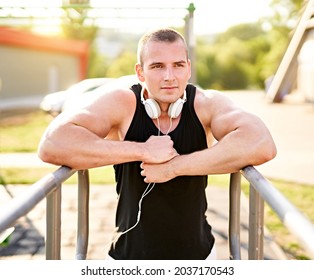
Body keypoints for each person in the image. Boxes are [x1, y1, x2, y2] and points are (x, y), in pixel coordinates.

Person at [38, 28, 277, 260]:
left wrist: (173, 167)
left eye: (178, 65)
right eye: (157, 66)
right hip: (127, 259)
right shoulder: (122, 102)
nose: (169, 76)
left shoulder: (206, 104)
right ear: (140, 72)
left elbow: (261, 143)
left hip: (199, 258)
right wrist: (143, 150)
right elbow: (52, 143)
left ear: (188, 69)